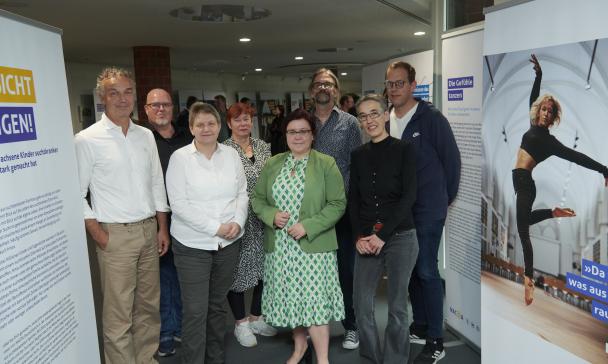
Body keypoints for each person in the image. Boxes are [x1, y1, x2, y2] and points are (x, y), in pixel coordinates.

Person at [74, 67, 170, 364]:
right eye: (114, 93)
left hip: (148, 232)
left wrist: (161, 228)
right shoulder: (87, 139)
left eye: (128, 92)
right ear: (102, 97)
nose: (122, 98)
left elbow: (156, 182)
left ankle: (146, 360)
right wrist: (99, 233)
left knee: (148, 310)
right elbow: (76, 194)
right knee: (118, 316)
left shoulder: (145, 135)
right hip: (114, 236)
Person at [252, 109, 346, 364]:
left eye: (303, 131)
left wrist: (308, 225)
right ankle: (300, 348)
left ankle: (323, 359)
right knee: (293, 300)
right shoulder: (273, 163)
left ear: (313, 135)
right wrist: (271, 215)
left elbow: (338, 203)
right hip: (281, 248)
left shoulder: (326, 164)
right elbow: (258, 199)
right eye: (292, 131)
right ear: (285, 135)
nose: (298, 136)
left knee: (313, 303)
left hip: (314, 246)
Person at [514, 54, 608, 306]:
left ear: (554, 117)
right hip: (519, 181)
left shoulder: (550, 142)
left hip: (525, 183)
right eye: (544, 109)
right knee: (524, 221)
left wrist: (603, 169)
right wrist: (539, 75)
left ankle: (529, 279)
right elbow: (533, 97)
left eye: (550, 111)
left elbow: (577, 157)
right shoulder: (531, 122)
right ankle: (553, 213)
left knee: (523, 232)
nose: (545, 113)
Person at [385, 61, 461, 364]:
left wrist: (442, 200)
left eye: (399, 83)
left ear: (413, 85)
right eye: (390, 84)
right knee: (410, 270)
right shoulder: (387, 120)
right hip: (401, 212)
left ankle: (436, 339)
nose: (394, 89)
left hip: (428, 210)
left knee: (427, 270)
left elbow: (452, 162)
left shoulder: (431, 119)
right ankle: (419, 324)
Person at [166, 102, 248, 363]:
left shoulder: (231, 155)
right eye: (199, 124)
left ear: (219, 125)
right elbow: (179, 205)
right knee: (196, 311)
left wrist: (237, 221)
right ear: (191, 128)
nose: (206, 128)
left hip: (228, 245)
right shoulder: (180, 158)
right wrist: (216, 227)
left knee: (216, 307)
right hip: (193, 246)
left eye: (211, 123)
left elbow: (242, 193)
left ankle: (215, 358)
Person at [350, 94, 418, 364]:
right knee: (361, 304)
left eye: (374, 113)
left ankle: (395, 359)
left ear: (385, 114)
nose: (370, 120)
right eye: (364, 116)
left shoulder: (405, 150)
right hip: (366, 239)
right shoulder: (358, 155)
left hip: (400, 236)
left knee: (397, 307)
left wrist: (382, 235)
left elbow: (409, 196)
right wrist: (359, 236)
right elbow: (354, 198)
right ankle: (371, 356)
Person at [309, 68, 362, 349]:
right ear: (311, 91)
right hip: (308, 212)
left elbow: (357, 165)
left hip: (341, 212)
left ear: (337, 91)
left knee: (346, 271)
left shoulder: (351, 124)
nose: (324, 88)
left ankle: (351, 326)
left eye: (329, 84)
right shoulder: (302, 122)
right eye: (319, 84)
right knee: (314, 271)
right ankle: (316, 327)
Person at [223, 102, 277, 347]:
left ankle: (256, 317)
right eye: (238, 120)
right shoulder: (224, 150)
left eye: (247, 119)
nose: (243, 124)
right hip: (238, 218)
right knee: (238, 272)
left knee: (264, 269)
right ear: (229, 124)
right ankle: (241, 324)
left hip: (264, 217)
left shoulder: (263, 147)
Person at [144, 88, 193, 357]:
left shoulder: (188, 137)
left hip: (190, 221)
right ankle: (165, 332)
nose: (160, 109)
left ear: (172, 108)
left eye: (165, 104)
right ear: (146, 109)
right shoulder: (141, 140)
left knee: (186, 278)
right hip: (156, 222)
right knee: (162, 280)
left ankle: (183, 328)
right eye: (155, 105)